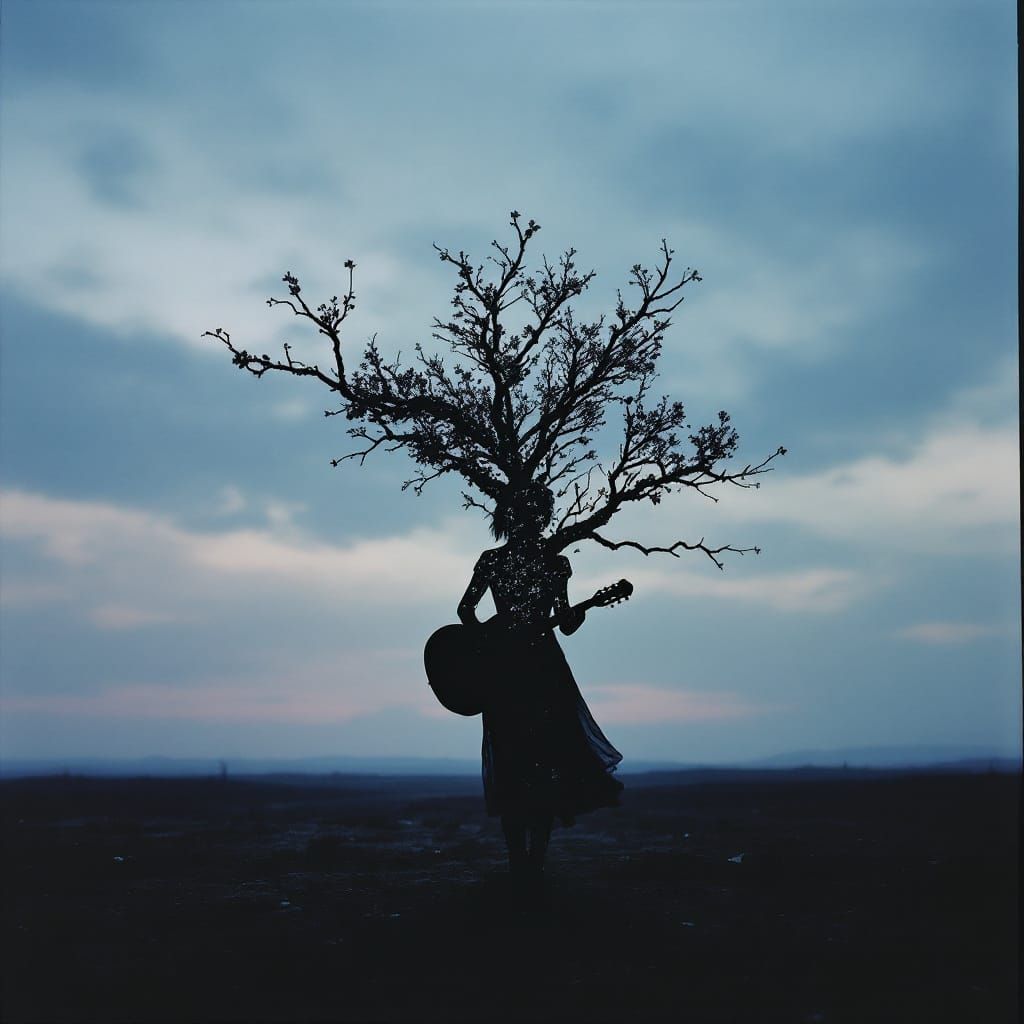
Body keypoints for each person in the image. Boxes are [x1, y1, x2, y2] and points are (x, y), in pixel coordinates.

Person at [457, 481, 624, 886]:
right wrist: (490, 641)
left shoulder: (552, 564)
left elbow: (564, 622)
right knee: (527, 763)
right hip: (522, 671)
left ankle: (529, 862)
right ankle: (526, 861)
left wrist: (587, 606)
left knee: (537, 761)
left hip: (532, 672)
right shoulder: (504, 561)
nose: (534, 520)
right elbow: (466, 610)